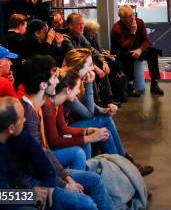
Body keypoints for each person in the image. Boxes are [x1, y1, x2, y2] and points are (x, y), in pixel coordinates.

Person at [16, 56, 114, 210]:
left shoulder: (36, 107)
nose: (57, 81)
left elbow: (45, 150)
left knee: (94, 180)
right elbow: (35, 163)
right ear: (43, 85)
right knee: (87, 204)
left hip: (41, 175)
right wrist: (64, 184)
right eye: (54, 76)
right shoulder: (28, 116)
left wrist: (67, 177)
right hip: (34, 182)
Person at [62, 49, 154, 177]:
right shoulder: (69, 85)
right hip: (65, 130)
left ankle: (123, 167)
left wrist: (106, 109)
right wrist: (89, 85)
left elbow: (92, 107)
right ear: (78, 67)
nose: (92, 68)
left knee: (105, 125)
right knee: (104, 121)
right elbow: (88, 114)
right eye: (89, 65)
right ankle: (124, 165)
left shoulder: (78, 80)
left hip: (70, 126)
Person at [0, 96, 56, 208]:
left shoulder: (5, 130)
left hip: (15, 188)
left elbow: (35, 150)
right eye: (22, 118)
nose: (25, 120)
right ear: (11, 128)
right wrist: (30, 195)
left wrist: (49, 180)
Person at [43, 70, 110, 168]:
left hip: (50, 148)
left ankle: (85, 173)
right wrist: (89, 138)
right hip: (46, 153)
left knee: (85, 144)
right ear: (68, 90)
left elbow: (63, 130)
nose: (79, 91)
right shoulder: (49, 107)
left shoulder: (58, 103)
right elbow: (54, 142)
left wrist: (87, 131)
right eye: (78, 88)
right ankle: (81, 178)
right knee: (78, 152)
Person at [111, 5, 164, 96]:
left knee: (153, 52)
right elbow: (125, 47)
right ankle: (130, 86)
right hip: (122, 51)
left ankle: (154, 84)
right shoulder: (117, 28)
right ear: (123, 19)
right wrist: (132, 33)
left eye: (133, 14)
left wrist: (140, 50)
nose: (133, 17)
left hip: (137, 49)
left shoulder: (139, 22)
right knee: (128, 56)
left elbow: (147, 40)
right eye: (130, 16)